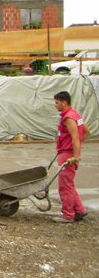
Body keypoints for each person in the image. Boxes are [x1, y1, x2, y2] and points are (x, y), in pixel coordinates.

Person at [52, 91, 90, 223]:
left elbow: (75, 137)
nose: (55, 105)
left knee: (65, 186)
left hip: (68, 155)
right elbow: (86, 131)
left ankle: (68, 214)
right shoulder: (75, 114)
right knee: (69, 184)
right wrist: (75, 146)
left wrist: (75, 154)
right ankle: (80, 209)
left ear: (64, 102)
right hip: (68, 152)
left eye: (57, 102)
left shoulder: (68, 118)